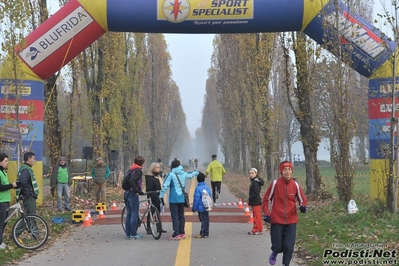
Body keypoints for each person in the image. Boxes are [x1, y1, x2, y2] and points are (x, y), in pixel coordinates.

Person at [262, 161, 307, 266]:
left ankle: (285, 264)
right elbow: (266, 199)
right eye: (285, 170)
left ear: (292, 171)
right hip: (277, 219)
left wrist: (303, 206)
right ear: (281, 172)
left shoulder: (295, 185)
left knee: (289, 246)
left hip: (291, 220)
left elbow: (302, 199)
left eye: (289, 170)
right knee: (278, 247)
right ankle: (274, 253)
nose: (287, 172)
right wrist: (267, 213)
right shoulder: (275, 184)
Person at [159, 159, 198, 240]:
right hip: (182, 199)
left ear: (172, 166)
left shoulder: (171, 174)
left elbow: (165, 186)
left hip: (173, 199)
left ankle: (176, 233)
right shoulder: (183, 173)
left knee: (175, 216)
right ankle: (182, 232)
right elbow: (190, 175)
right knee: (181, 216)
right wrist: (196, 172)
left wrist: (160, 195)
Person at [0, 153, 19, 250]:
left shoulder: (3, 172)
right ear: (0, 161)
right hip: (1, 201)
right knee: (1, 222)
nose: (7, 163)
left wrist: (15, 186)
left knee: (4, 222)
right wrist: (12, 185)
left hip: (5, 200)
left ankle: (0, 241)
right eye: (5, 161)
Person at [124, 156, 145, 240]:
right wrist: (138, 190)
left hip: (127, 193)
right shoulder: (138, 171)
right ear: (142, 163)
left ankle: (128, 234)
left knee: (128, 214)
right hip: (133, 194)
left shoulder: (131, 168)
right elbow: (132, 180)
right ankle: (133, 233)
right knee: (134, 214)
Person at [145, 162, 167, 234]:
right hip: (153, 197)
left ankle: (159, 227)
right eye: (156, 167)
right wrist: (154, 196)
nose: (158, 169)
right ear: (152, 168)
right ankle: (148, 227)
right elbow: (149, 189)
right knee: (151, 212)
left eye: (158, 167)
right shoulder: (150, 178)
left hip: (159, 196)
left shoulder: (159, 177)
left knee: (158, 211)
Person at [192, 172, 212, 238]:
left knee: (203, 220)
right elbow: (210, 196)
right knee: (206, 219)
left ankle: (203, 233)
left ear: (197, 180)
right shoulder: (207, 188)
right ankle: (206, 232)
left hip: (201, 208)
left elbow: (196, 199)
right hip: (206, 207)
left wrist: (194, 208)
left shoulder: (198, 188)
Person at [247, 167, 264, 235]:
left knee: (256, 216)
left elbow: (256, 192)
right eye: (250, 173)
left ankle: (256, 229)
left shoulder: (255, 182)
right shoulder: (255, 181)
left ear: (256, 173)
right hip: (256, 201)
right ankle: (259, 229)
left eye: (252, 173)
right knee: (258, 216)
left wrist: (250, 198)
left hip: (255, 201)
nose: (251, 175)